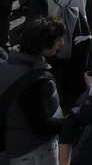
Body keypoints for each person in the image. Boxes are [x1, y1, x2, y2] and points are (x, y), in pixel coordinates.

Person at [0, 16, 66, 165]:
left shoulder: (9, 63)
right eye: (59, 40)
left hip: (14, 144)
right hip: (34, 151)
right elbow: (41, 126)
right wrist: (73, 120)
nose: (62, 43)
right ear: (45, 44)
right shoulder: (35, 81)